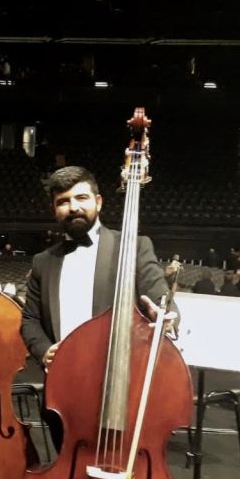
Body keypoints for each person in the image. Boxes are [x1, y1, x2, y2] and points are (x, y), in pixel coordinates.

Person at [19, 165, 171, 393]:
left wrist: (164, 316)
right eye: (63, 201)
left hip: (122, 384)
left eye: (81, 198)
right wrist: (43, 351)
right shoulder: (43, 261)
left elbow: (161, 300)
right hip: (63, 384)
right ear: (54, 209)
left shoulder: (134, 247)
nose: (73, 207)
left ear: (98, 202)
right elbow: (30, 318)